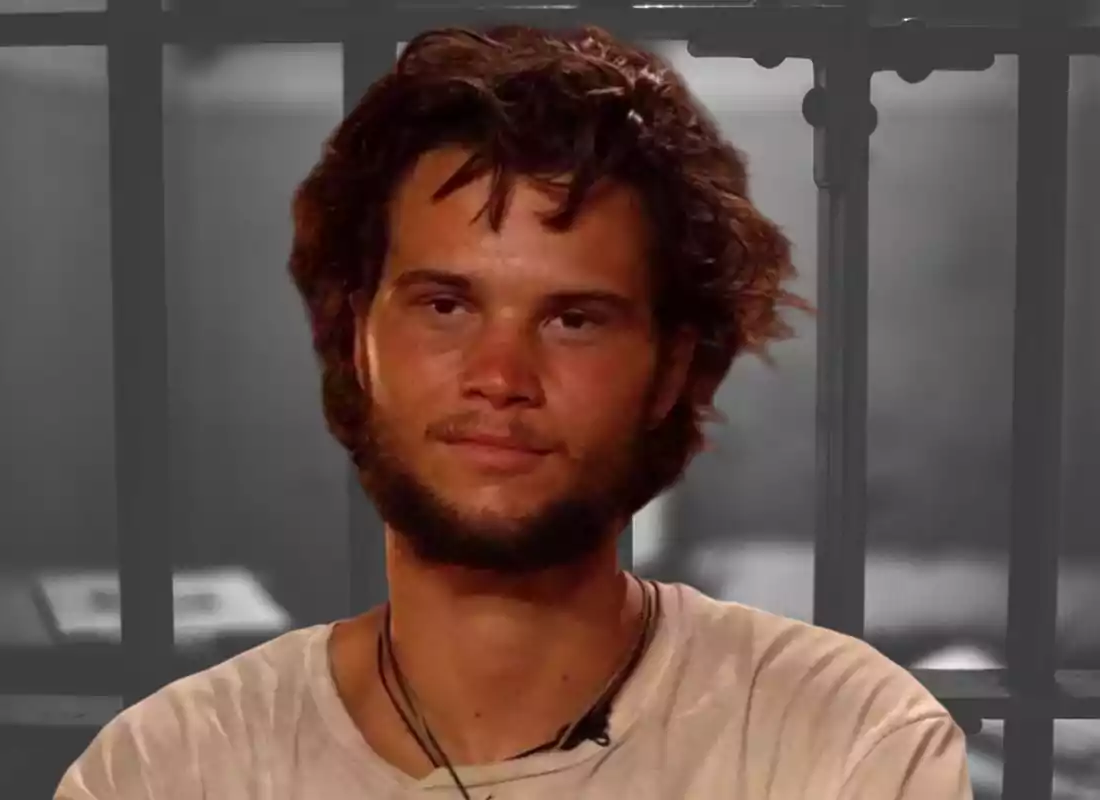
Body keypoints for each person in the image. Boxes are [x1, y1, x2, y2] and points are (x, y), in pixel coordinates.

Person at [55, 23, 973, 800]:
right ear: (353, 337)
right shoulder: (164, 770)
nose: (500, 375)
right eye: (445, 306)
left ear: (671, 370)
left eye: (574, 319)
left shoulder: (845, 748)